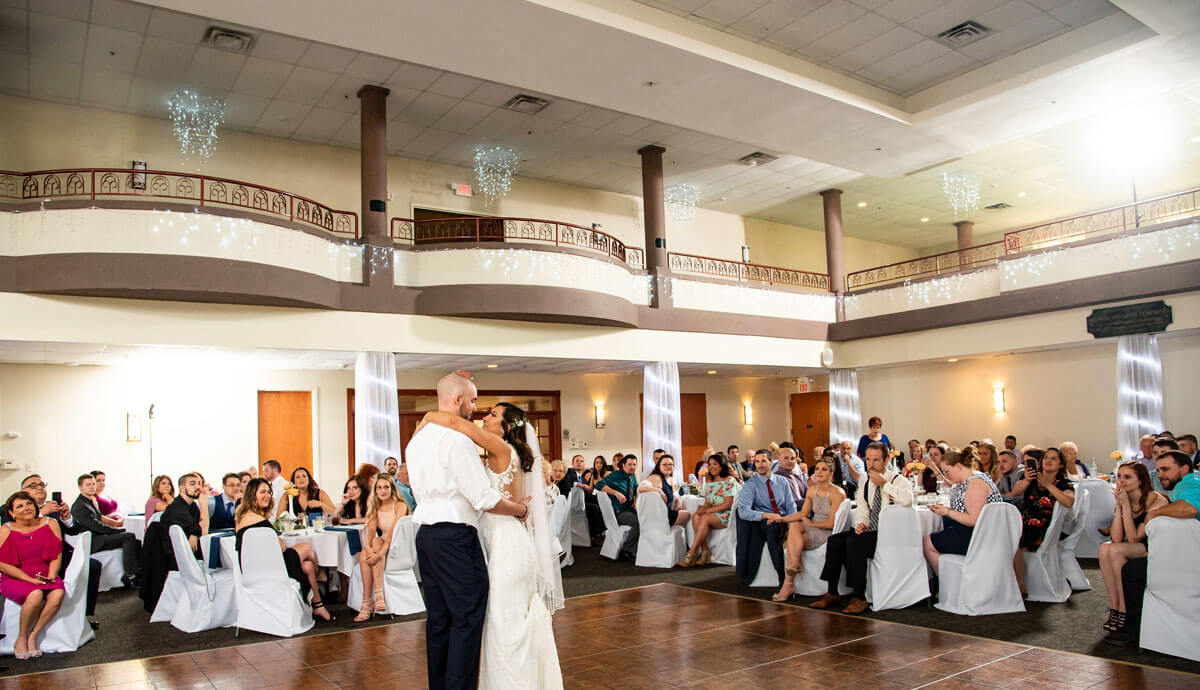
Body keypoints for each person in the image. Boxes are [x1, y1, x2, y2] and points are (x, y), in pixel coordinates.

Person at [405, 373, 543, 690]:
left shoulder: (416, 440)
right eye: (473, 400)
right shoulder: (456, 440)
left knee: (439, 619)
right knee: (466, 619)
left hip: (425, 535)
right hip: (454, 535)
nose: (475, 407)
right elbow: (483, 497)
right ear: (458, 400)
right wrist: (521, 509)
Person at [1108, 451, 1200, 647]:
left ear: (1184, 469)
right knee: (1114, 554)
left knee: (1132, 570)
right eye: (1158, 470)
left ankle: (1133, 631)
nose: (1160, 475)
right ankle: (1124, 618)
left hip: (1189, 559)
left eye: (1166, 469)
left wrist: (1155, 513)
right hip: (1185, 551)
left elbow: (1191, 509)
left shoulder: (1189, 483)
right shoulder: (1185, 485)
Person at [811, 442, 913, 614]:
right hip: (870, 530)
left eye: (876, 460)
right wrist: (861, 524)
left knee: (854, 543)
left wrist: (884, 484)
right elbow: (863, 508)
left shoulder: (898, 480)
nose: (871, 464)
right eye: (868, 460)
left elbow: (908, 500)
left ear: (886, 460)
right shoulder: (865, 482)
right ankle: (832, 592)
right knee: (836, 540)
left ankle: (860, 596)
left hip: (889, 533)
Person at [234, 478, 333, 622]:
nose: (267, 495)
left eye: (269, 492)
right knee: (307, 547)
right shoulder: (257, 520)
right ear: (251, 494)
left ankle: (318, 606)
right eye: (263, 492)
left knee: (308, 566)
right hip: (267, 568)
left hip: (255, 566)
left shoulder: (243, 516)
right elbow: (281, 547)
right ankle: (320, 575)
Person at [14, 475, 101, 630]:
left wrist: (67, 517)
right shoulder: (13, 509)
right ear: (23, 492)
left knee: (92, 566)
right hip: (31, 560)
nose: (40, 487)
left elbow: (74, 530)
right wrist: (40, 514)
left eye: (42, 484)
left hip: (59, 556)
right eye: (33, 485)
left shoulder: (54, 508)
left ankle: (84, 616)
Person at [1098, 461, 1167, 635]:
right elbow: (1116, 537)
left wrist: (1126, 506)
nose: (1121, 481)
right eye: (1119, 476)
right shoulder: (1125, 498)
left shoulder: (1155, 499)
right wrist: (1120, 506)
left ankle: (1123, 609)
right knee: (1105, 548)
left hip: (1155, 547)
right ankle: (1116, 607)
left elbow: (1135, 536)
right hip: (1135, 546)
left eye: (1127, 477)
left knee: (1114, 549)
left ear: (1141, 480)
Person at [0, 491, 66, 659]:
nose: (26, 508)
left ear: (35, 506)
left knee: (57, 593)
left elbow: (57, 554)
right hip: (17, 577)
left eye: (28, 504)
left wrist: (51, 575)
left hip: (45, 573)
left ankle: (33, 636)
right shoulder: (6, 529)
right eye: (19, 506)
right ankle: (21, 638)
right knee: (35, 594)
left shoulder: (50, 523)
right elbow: (3, 564)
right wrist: (29, 580)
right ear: (11, 513)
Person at [770, 457, 846, 601]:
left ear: (831, 473)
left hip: (827, 532)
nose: (819, 472)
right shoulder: (811, 490)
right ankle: (793, 568)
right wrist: (780, 518)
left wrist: (811, 525)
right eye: (817, 469)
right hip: (811, 527)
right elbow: (802, 514)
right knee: (794, 525)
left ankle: (788, 583)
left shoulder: (838, 493)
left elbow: (831, 523)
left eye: (824, 469)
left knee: (793, 542)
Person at [922, 447, 1004, 578]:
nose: (946, 475)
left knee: (927, 542)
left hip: (980, 537)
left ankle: (947, 584)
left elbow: (974, 519)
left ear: (958, 466)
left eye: (947, 471)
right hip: (982, 532)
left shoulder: (975, 483)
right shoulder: (971, 478)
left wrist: (947, 512)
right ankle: (952, 579)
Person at [1010, 447, 1075, 596]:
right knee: (1003, 532)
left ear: (1060, 465)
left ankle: (1020, 585)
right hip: (1024, 521)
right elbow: (1015, 492)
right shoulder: (1030, 479)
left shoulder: (1064, 483)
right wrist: (1026, 479)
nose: (1049, 461)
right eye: (1046, 458)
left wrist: (1048, 485)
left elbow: (1069, 501)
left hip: (1045, 527)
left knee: (1013, 538)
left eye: (1053, 459)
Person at [734, 450, 797, 585]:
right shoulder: (751, 485)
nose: (760, 465)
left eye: (763, 461)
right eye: (757, 461)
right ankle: (781, 574)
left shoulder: (782, 482)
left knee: (783, 527)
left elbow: (791, 506)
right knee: (772, 529)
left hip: (783, 519)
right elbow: (743, 511)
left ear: (771, 462)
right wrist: (765, 515)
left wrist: (791, 526)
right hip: (764, 523)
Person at [355, 474, 411, 621]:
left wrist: (379, 554)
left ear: (392, 488)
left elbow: (393, 532)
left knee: (378, 542)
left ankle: (374, 598)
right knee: (365, 552)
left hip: (398, 545)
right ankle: (368, 601)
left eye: (386, 487)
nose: (383, 491)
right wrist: (368, 549)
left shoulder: (400, 505)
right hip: (381, 544)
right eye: (379, 487)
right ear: (375, 490)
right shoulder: (375, 506)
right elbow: (371, 530)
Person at [72, 474, 139, 588]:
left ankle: (139, 573)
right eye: (88, 485)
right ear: (80, 487)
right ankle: (130, 575)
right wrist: (119, 530)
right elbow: (97, 527)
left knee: (136, 541)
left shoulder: (90, 501)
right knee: (129, 536)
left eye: (93, 484)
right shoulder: (80, 506)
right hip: (93, 541)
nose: (92, 487)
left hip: (99, 536)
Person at [677, 452, 738, 567]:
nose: (711, 467)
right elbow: (708, 502)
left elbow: (728, 504)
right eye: (709, 464)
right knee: (696, 515)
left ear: (721, 465)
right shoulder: (710, 483)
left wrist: (708, 511)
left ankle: (692, 552)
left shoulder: (729, 480)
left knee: (704, 517)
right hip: (713, 514)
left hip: (726, 515)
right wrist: (703, 508)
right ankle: (705, 551)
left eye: (715, 464)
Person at [595, 453, 640, 560]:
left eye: (634, 464)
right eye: (630, 464)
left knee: (647, 518)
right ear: (623, 465)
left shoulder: (632, 475)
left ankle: (642, 549)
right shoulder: (616, 475)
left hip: (629, 510)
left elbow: (637, 487)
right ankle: (627, 550)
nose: (632, 467)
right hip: (618, 512)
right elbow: (598, 485)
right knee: (639, 522)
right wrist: (615, 493)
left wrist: (636, 500)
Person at [160, 473, 207, 561]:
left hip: (189, 555)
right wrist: (204, 505)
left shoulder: (192, 506)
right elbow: (204, 531)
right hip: (177, 560)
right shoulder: (177, 508)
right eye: (192, 484)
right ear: (181, 488)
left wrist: (194, 533)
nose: (197, 487)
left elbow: (197, 527)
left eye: (199, 483)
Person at [637, 454, 691, 528]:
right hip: (658, 516)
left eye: (670, 464)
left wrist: (679, 501)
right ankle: (665, 532)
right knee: (687, 514)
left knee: (686, 513)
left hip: (665, 512)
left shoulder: (670, 479)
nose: (668, 466)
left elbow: (675, 493)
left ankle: (667, 533)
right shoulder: (656, 477)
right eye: (664, 464)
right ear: (659, 466)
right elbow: (640, 488)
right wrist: (659, 491)